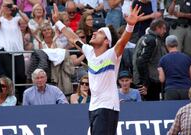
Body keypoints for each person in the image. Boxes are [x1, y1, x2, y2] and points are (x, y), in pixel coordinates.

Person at [52, 3, 142, 135]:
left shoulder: (112, 55)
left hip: (107, 107)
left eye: (99, 33)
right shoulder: (89, 52)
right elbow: (73, 38)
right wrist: (58, 22)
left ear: (107, 41)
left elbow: (122, 42)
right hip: (93, 107)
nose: (94, 32)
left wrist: (130, 25)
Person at [0, 0, 29, 103]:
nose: (8, 7)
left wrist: (18, 10)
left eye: (9, 5)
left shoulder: (16, 18)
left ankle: (21, 97)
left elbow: (26, 21)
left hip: (18, 50)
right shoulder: (1, 19)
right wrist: (1, 9)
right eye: (6, 5)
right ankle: (11, 98)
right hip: (5, 51)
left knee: (21, 75)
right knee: (9, 75)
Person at [132, 19, 167, 101]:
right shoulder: (152, 40)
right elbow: (141, 61)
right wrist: (145, 83)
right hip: (150, 82)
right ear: (157, 28)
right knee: (151, 109)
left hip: (145, 80)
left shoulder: (145, 38)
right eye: (163, 28)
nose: (165, 31)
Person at [158, 35, 191, 100]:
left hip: (170, 89)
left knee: (170, 110)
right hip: (186, 88)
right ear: (177, 44)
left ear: (166, 45)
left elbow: (162, 79)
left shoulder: (163, 59)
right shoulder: (186, 58)